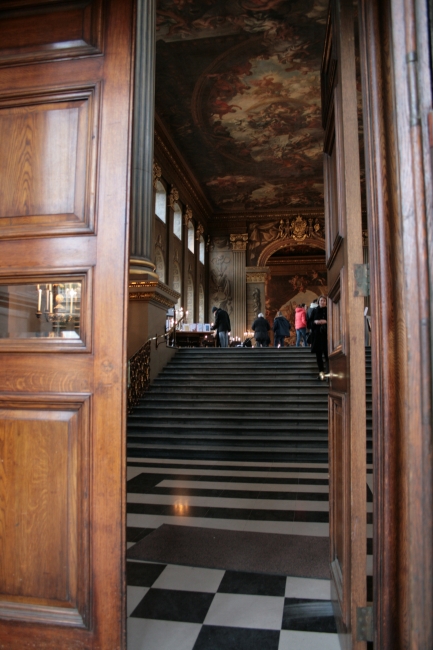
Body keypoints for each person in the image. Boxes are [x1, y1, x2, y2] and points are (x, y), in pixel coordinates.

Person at [307, 296, 328, 376]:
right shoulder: (315, 311)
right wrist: (315, 322)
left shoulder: (329, 310)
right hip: (317, 336)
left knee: (327, 355)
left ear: (326, 302)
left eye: (324, 301)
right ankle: (321, 372)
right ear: (318, 302)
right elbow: (309, 323)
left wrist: (325, 321)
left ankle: (329, 372)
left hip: (326, 336)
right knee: (318, 356)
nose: (322, 302)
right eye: (321, 300)